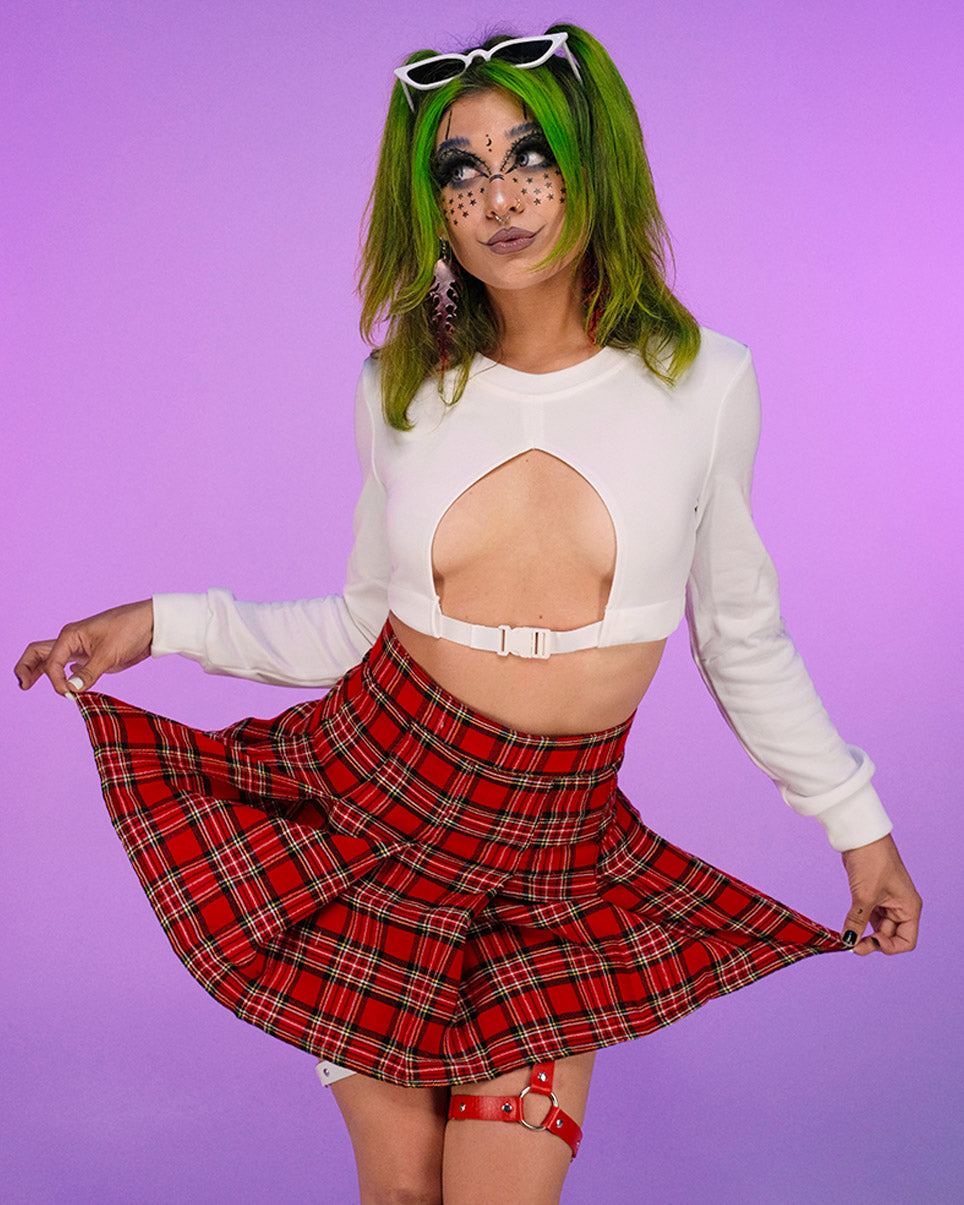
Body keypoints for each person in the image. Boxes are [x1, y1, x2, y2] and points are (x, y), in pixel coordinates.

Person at [15, 24, 920, 1205]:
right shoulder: (403, 386)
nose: (499, 198)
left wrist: (859, 827)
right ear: (432, 206)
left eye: (529, 156)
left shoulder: (704, 384)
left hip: (552, 854)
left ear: (592, 163)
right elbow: (360, 624)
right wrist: (158, 620)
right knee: (402, 1193)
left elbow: (740, 640)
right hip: (373, 817)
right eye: (461, 170)